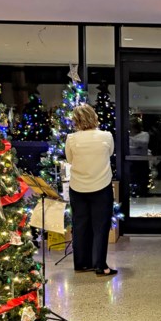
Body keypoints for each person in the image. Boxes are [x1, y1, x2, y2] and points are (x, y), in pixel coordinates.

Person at [64, 104, 117, 277]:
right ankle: (100, 265)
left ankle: (81, 263)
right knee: (100, 227)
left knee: (80, 225)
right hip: (101, 186)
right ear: (94, 117)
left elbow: (70, 159)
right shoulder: (106, 136)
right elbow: (109, 153)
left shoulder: (71, 139)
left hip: (77, 187)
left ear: (76, 121)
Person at [128, 119, 151, 197]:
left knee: (143, 177)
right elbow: (131, 148)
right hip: (131, 160)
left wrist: (132, 140)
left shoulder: (145, 134)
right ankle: (133, 192)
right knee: (132, 177)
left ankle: (143, 193)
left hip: (142, 160)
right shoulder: (128, 135)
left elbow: (143, 143)